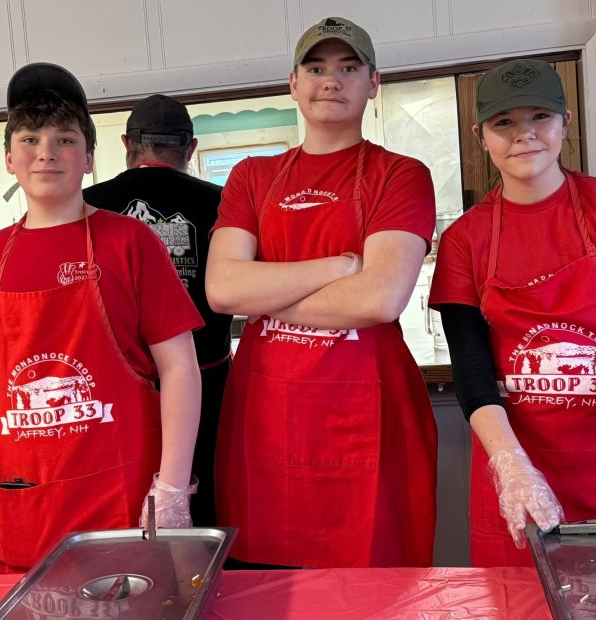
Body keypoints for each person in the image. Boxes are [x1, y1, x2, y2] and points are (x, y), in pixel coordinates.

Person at [0, 62, 203, 575]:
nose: (46, 153)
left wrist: (171, 488)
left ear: (89, 158)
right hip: (19, 503)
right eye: (30, 139)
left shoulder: (132, 242)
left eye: (65, 139)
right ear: (9, 158)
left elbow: (179, 368)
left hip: (118, 494)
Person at [205, 16, 438, 569]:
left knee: (373, 590)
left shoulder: (401, 175)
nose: (330, 80)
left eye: (348, 67)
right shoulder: (251, 177)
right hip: (265, 422)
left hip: (368, 416)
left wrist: (264, 291)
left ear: (373, 82)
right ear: (293, 82)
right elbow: (222, 289)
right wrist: (339, 266)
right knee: (262, 590)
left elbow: (377, 300)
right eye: (316, 68)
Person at [429, 58, 596, 567]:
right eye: (505, 123)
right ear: (481, 136)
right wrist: (511, 465)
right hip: (518, 471)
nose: (524, 135)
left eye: (539, 117)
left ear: (565, 122)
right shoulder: (465, 239)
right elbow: (472, 369)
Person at [83, 94, 232, 526]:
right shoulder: (221, 202)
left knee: (119, 501)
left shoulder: (90, 204)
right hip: (207, 382)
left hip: (117, 389)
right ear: (190, 148)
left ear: (128, 144)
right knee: (204, 502)